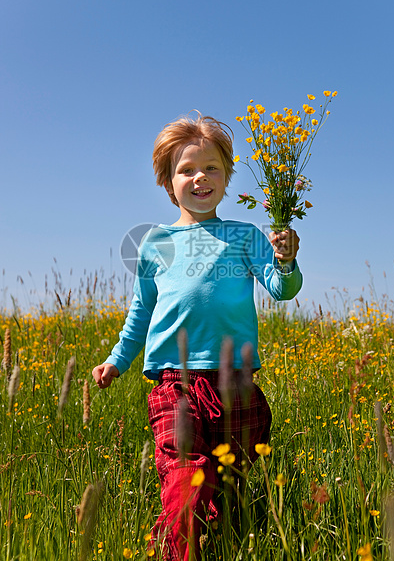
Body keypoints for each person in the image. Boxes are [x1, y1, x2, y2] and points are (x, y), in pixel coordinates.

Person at [92, 113, 302, 560]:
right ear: (169, 183)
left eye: (211, 168)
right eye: (186, 169)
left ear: (227, 178)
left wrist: (285, 259)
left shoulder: (245, 237)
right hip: (176, 383)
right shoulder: (156, 243)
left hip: (236, 382)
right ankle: (177, 550)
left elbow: (282, 290)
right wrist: (116, 359)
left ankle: (223, 542)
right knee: (186, 476)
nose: (199, 177)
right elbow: (141, 313)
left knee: (231, 484)